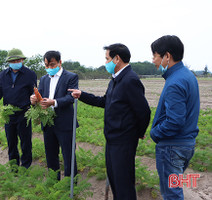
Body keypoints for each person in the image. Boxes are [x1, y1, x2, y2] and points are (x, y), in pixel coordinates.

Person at [69, 44, 151, 200]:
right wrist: (82, 95)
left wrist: (137, 133)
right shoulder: (115, 80)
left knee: (124, 184)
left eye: (107, 59)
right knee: (115, 182)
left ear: (117, 58)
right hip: (112, 140)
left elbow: (144, 111)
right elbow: (105, 101)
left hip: (123, 141)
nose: (106, 62)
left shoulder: (130, 80)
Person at [150, 35, 200, 200]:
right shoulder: (188, 76)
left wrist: (155, 133)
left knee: (172, 195)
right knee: (175, 190)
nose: (153, 60)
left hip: (172, 147)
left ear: (167, 56)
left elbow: (175, 121)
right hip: (185, 144)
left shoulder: (174, 83)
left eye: (155, 55)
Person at [30, 50, 79, 180]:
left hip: (65, 123)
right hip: (48, 122)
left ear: (59, 62)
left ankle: (71, 185)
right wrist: (34, 100)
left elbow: (71, 98)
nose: (49, 68)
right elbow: (39, 95)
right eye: (46, 65)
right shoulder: (44, 79)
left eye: (52, 65)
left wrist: (54, 102)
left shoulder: (71, 77)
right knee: (51, 155)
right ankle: (54, 182)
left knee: (68, 155)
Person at [0, 48, 37, 168]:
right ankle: (13, 166)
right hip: (8, 113)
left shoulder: (30, 74)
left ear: (22, 60)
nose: (16, 62)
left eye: (18, 60)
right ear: (9, 61)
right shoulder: (4, 74)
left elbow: (34, 92)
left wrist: (35, 100)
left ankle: (25, 166)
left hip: (24, 113)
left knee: (25, 142)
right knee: (11, 141)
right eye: (13, 60)